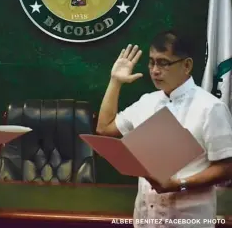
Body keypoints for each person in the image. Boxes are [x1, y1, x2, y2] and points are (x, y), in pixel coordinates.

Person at [96, 30, 232, 227]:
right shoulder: (147, 102)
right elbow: (104, 129)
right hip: (146, 219)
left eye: (163, 62)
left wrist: (179, 185)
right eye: (151, 62)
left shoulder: (211, 108)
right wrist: (115, 81)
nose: (155, 70)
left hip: (188, 220)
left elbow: (227, 167)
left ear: (187, 65)